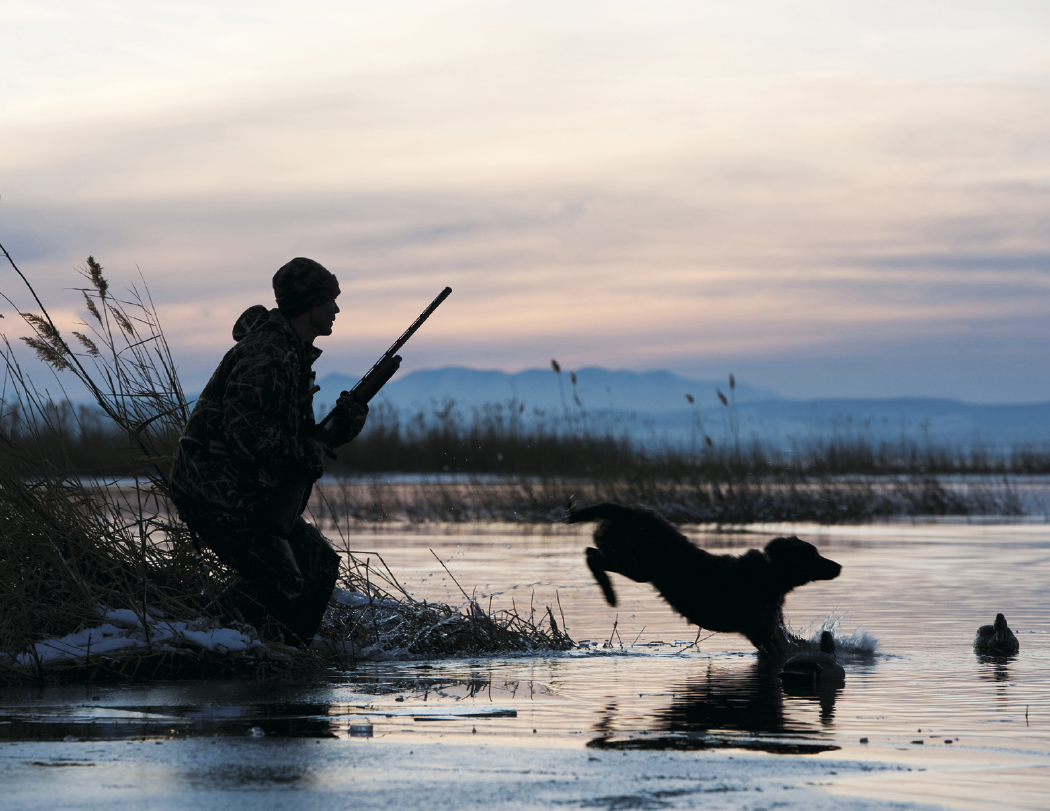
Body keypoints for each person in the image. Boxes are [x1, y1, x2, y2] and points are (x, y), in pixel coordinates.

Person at [169, 257, 368, 647]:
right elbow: (245, 433)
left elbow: (287, 435)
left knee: (317, 564)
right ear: (309, 304)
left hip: (242, 494)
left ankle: (258, 646)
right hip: (217, 494)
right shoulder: (268, 354)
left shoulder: (291, 353)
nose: (336, 309)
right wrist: (309, 451)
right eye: (329, 299)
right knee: (285, 577)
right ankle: (233, 646)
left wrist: (337, 430)